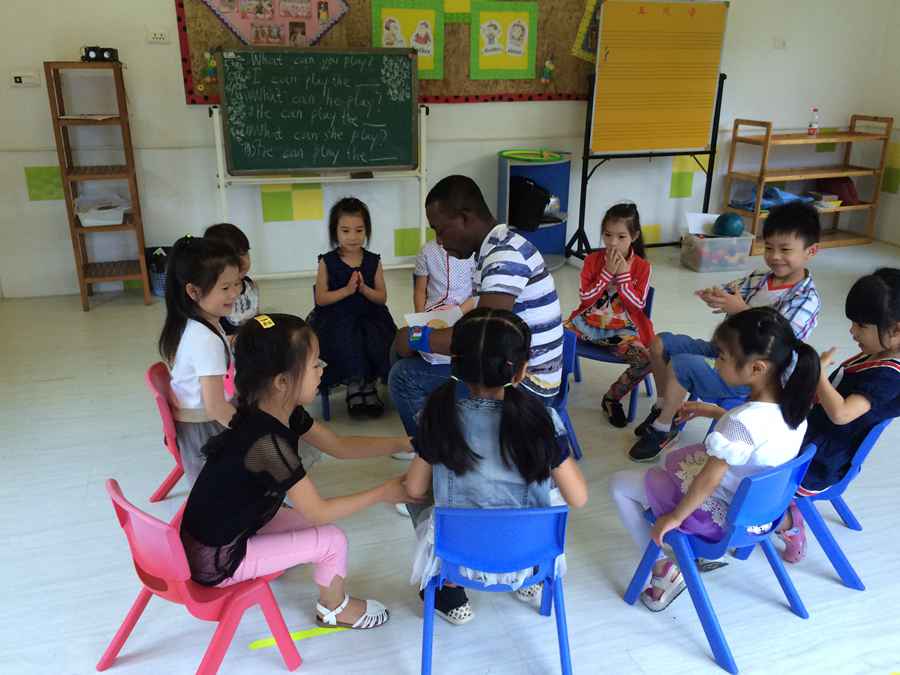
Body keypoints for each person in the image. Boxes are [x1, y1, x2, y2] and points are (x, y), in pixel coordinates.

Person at [180, 313, 416, 630]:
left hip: (221, 531)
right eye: (315, 364)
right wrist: (384, 492)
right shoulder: (268, 444)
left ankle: (283, 561)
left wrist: (401, 443)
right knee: (332, 540)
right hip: (217, 559)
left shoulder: (273, 409)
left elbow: (339, 446)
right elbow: (319, 511)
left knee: (312, 524)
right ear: (282, 382)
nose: (323, 369)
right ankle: (334, 609)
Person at [609, 307, 819, 610]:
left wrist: (675, 518)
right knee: (670, 465)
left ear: (757, 368)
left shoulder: (742, 422)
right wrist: (718, 413)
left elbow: (709, 479)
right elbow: (758, 440)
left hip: (721, 520)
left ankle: (662, 568)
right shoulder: (795, 411)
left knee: (619, 485)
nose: (716, 362)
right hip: (761, 513)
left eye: (721, 356)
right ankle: (789, 523)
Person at [404, 309, 588, 623]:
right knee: (547, 490)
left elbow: (413, 489)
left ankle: (449, 592)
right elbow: (578, 498)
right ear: (521, 370)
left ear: (456, 364)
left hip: (459, 559)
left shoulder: (438, 417)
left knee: (416, 492)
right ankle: (527, 583)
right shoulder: (543, 421)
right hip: (530, 557)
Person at [630, 201, 821, 462]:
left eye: (785, 249)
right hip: (724, 352)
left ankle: (663, 428)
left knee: (682, 364)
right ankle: (665, 407)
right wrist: (716, 294)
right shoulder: (762, 278)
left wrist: (740, 309)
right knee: (660, 343)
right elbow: (731, 290)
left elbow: (777, 342)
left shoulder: (806, 300)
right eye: (769, 247)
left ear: (811, 251)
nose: (775, 256)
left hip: (750, 374)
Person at [389, 174, 564, 438]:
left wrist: (416, 336)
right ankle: (450, 436)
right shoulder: (499, 245)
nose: (439, 241)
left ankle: (436, 453)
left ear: (465, 218)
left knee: (403, 375)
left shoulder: (504, 258)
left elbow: (483, 341)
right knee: (401, 351)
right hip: (511, 366)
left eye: (440, 230)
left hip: (526, 385)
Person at [777, 268, 900, 562]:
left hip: (819, 460)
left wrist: (818, 373)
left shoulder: (889, 376)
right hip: (814, 434)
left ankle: (789, 523)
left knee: (748, 474)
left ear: (896, 330)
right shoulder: (877, 352)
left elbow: (842, 414)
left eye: (861, 325)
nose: (852, 332)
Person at [159, 236, 242, 484]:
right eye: (225, 288)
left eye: (237, 284)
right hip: (206, 434)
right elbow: (216, 407)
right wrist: (251, 432)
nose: (235, 293)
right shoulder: (205, 340)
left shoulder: (192, 323)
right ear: (193, 291)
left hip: (197, 425)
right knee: (273, 438)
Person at [566, 202, 654, 427]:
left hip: (623, 331)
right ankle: (556, 386)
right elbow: (586, 298)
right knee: (550, 341)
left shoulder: (642, 267)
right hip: (586, 324)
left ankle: (612, 398)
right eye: (607, 235)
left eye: (621, 237)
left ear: (634, 236)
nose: (613, 242)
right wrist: (606, 273)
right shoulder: (592, 260)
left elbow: (637, 305)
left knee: (647, 360)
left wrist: (623, 276)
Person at [390, 239, 478, 463]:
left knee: (404, 369)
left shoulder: (473, 253)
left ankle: (424, 441)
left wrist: (458, 312)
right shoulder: (428, 252)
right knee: (398, 350)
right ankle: (422, 424)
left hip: (461, 319)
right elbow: (420, 290)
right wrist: (421, 318)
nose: (441, 234)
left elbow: (477, 295)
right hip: (434, 320)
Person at [308, 198, 397, 418]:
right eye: (345, 231)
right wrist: (347, 291)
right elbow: (321, 298)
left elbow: (381, 297)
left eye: (359, 230)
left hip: (371, 316)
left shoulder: (373, 261)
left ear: (367, 231)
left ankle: (369, 385)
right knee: (348, 340)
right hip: (337, 318)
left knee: (373, 339)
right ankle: (354, 386)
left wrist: (364, 289)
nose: (353, 236)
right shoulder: (327, 261)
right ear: (335, 232)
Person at [204, 222, 259, 337]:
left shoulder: (251, 285)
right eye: (233, 256)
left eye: (244, 253)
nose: (243, 261)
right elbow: (212, 334)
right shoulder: (211, 295)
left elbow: (256, 318)